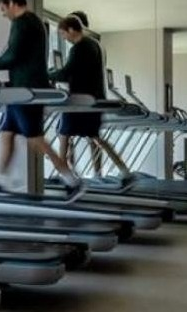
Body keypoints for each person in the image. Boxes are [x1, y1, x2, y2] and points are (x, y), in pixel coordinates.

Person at [0, 0, 86, 200]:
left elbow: (13, 55)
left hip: (25, 90)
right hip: (20, 89)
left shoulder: (22, 23)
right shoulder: (35, 22)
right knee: (7, 134)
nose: (3, 14)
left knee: (35, 139)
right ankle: (2, 181)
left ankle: (72, 181)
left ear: (12, 3)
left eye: (3, 9)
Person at [48, 12, 135, 187]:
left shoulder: (79, 48)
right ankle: (124, 170)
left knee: (64, 133)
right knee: (95, 137)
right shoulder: (93, 45)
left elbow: (67, 72)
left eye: (63, 34)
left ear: (71, 30)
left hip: (81, 101)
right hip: (93, 100)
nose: (64, 39)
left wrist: (47, 75)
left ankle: (65, 175)